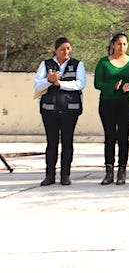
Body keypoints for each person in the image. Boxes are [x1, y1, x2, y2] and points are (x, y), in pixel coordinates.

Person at [33, 37, 86, 186]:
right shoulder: (46, 64)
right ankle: (50, 175)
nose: (66, 52)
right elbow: (37, 85)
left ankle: (65, 175)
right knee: (52, 143)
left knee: (67, 142)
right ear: (55, 50)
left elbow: (80, 83)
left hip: (70, 109)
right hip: (49, 109)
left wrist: (59, 83)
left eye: (68, 48)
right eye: (62, 49)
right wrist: (49, 80)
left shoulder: (77, 64)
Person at [94, 32, 129, 185]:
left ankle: (122, 170)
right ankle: (109, 171)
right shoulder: (103, 62)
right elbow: (97, 83)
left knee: (123, 136)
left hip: (126, 103)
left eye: (125, 44)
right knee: (109, 136)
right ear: (113, 45)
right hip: (107, 103)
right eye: (119, 44)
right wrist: (112, 87)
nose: (122, 47)